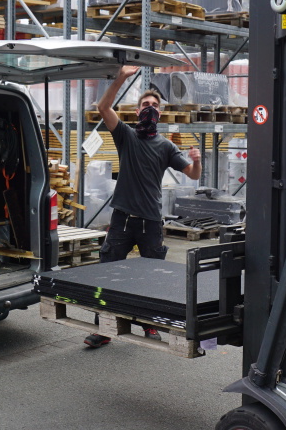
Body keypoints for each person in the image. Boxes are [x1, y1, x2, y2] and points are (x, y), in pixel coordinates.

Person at [84, 64, 202, 348]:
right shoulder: (125, 135)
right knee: (108, 273)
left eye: (154, 105)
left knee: (152, 276)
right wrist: (121, 78)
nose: (149, 108)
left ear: (159, 113)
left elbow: (193, 175)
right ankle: (105, 329)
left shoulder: (166, 147)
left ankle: (149, 325)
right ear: (137, 111)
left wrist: (197, 160)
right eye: (145, 104)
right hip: (122, 220)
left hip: (151, 221)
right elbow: (103, 107)